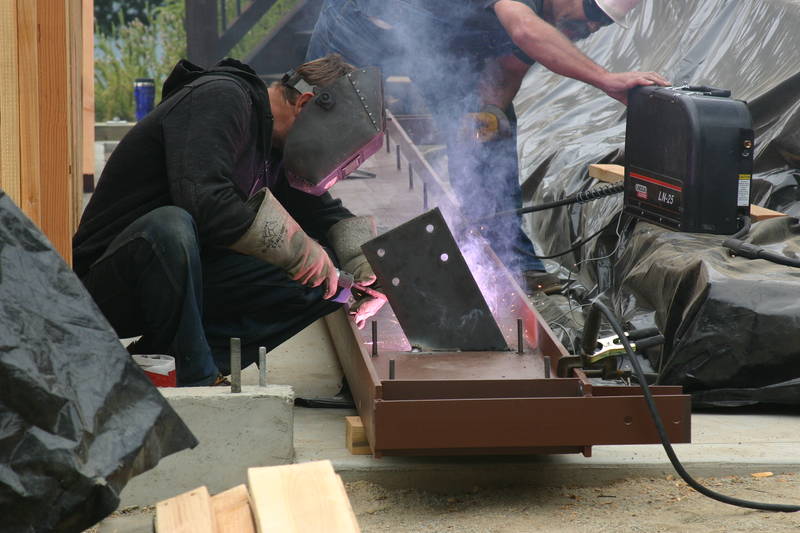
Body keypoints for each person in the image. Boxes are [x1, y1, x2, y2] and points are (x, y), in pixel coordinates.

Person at [306, 0, 669, 293]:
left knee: (494, 128)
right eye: (592, 12)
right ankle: (309, 243)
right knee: (329, 125)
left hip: (440, 44)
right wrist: (606, 80)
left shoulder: (548, 22)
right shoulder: (527, 17)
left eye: (601, 24)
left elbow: (507, 71)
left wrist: (485, 116)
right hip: (366, 20)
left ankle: (510, 259)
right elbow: (524, 28)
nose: (591, 27)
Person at [73, 55, 386, 386]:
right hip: (112, 284)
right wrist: (301, 250)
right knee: (170, 225)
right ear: (306, 103)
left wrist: (368, 266)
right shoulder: (221, 98)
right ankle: (195, 376)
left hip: (184, 284)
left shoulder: (277, 149)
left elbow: (325, 212)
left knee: (330, 282)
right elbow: (205, 202)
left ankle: (167, 364)